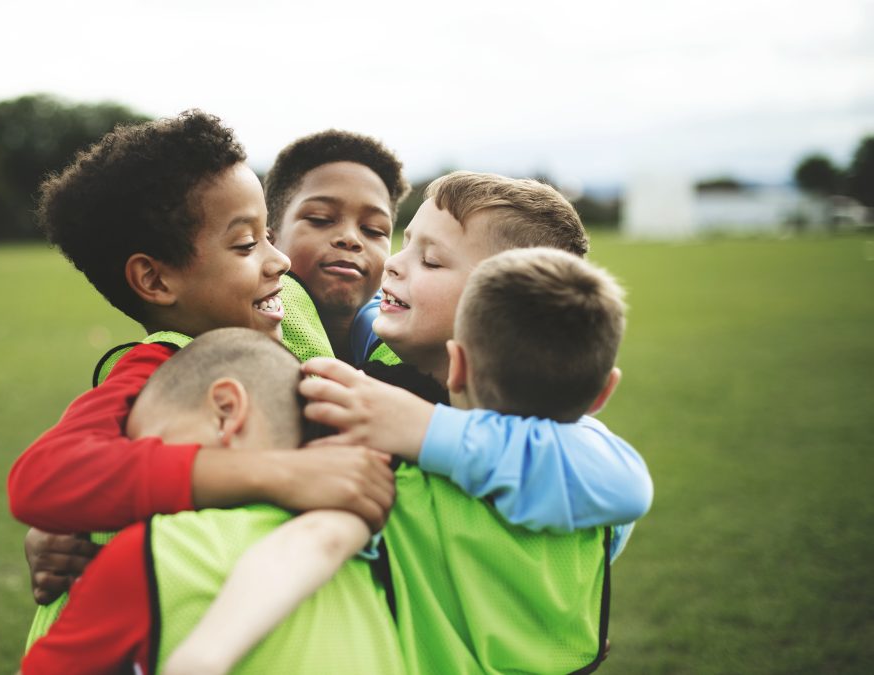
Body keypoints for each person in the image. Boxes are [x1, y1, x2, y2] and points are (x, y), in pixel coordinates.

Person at [168, 173, 651, 674]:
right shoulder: (378, 337)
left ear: (495, 311)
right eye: (404, 242)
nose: (392, 265)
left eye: (431, 259)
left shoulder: (560, 453)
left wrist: (422, 428)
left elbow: (626, 483)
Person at [7, 111, 396, 647]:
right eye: (246, 245)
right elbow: (44, 480)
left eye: (267, 235)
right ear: (154, 279)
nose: (278, 259)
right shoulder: (157, 367)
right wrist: (276, 473)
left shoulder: (288, 310)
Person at [19, 329, 405, 675]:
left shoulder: (157, 552)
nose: (141, 477)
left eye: (151, 444)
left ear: (225, 412)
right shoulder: (366, 551)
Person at [264, 130, 410, 363]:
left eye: (374, 229)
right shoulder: (223, 345)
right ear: (268, 240)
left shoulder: (418, 351)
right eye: (320, 219)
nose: (350, 238)